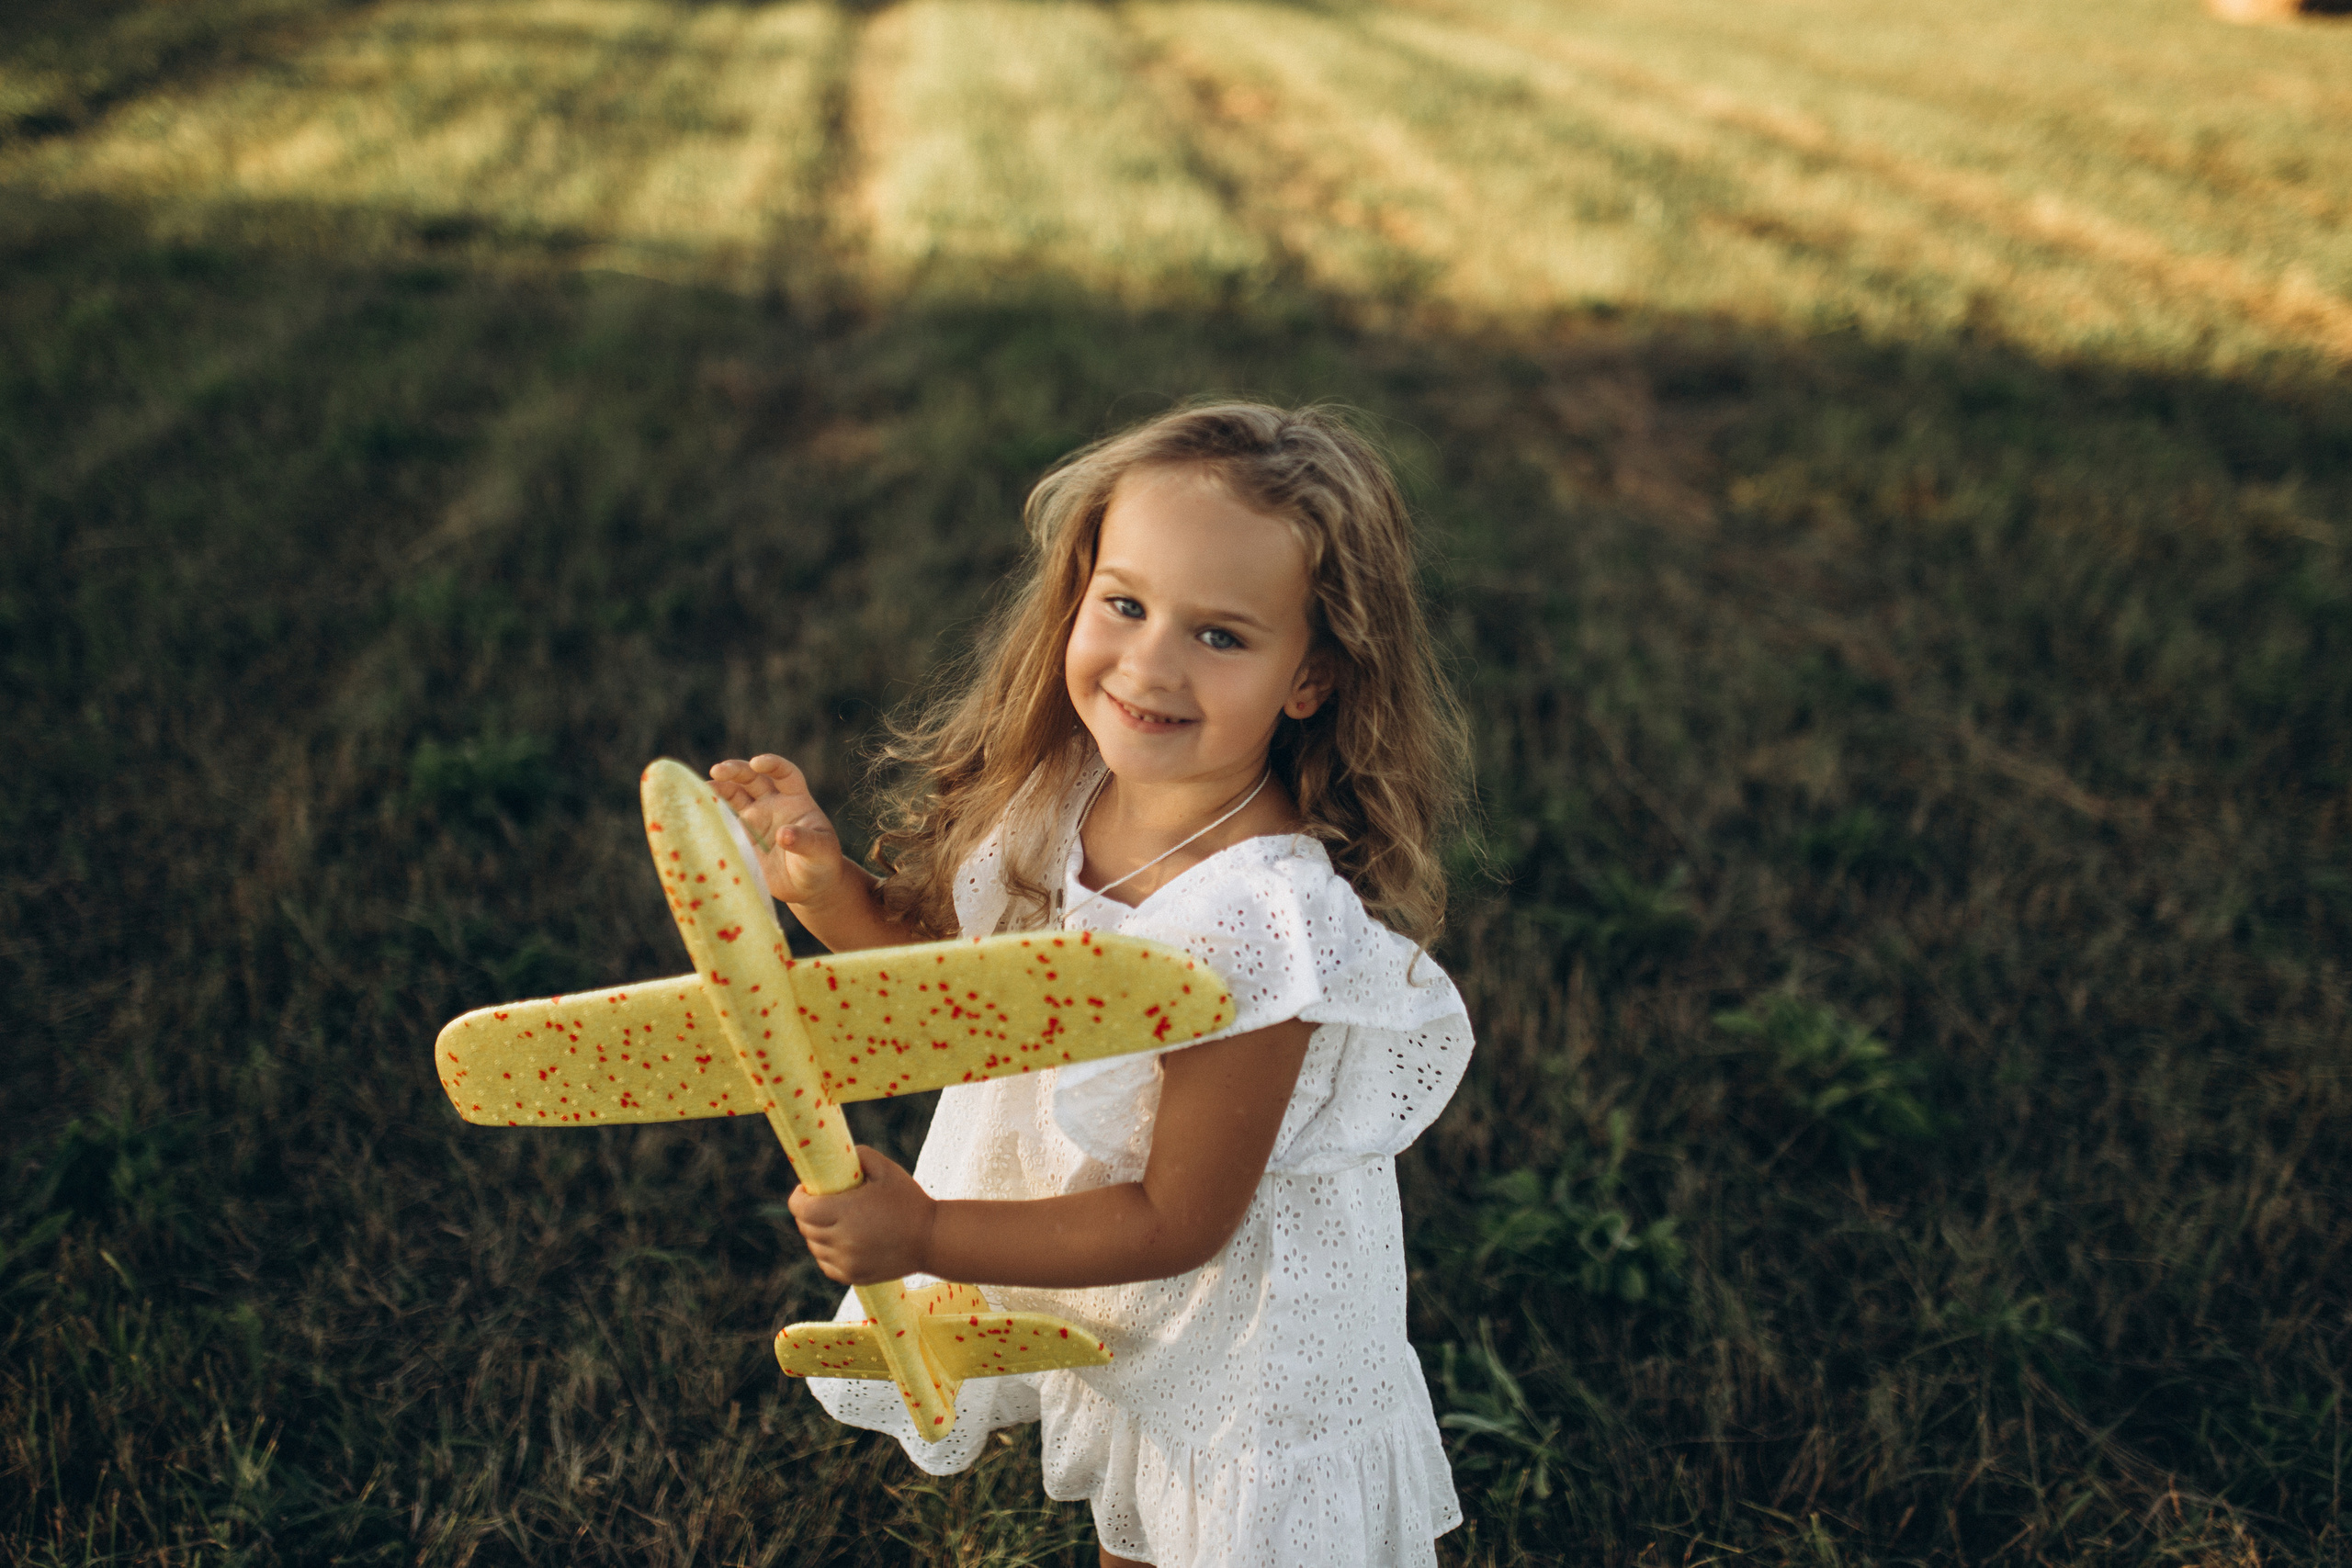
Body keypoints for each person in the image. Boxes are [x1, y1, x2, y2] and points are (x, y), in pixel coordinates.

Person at [707, 402, 1476, 1568]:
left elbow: (1182, 1221)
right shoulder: (1063, 793)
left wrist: (924, 1231)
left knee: (1213, 1528)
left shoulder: (1258, 928)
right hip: (1115, 1283)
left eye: (1220, 637)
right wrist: (828, 897)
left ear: (1311, 676)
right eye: (1124, 604)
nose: (1150, 663)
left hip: (1246, 1335)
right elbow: (961, 997)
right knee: (1143, 1520)